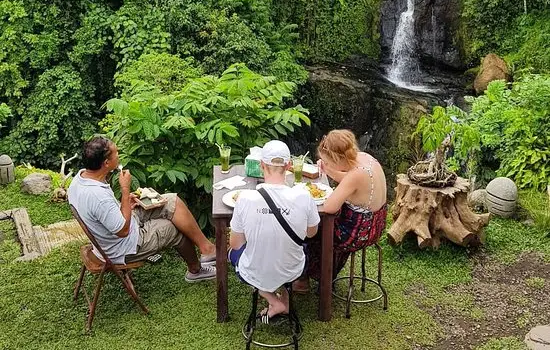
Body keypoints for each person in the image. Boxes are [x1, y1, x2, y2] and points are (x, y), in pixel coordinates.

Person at [68, 136, 216, 282]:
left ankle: (207, 249)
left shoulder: (80, 178)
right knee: (173, 228)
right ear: (106, 163)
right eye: (116, 153)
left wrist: (125, 203)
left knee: (172, 201)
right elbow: (123, 231)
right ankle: (195, 271)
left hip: (117, 228)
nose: (119, 155)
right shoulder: (98, 196)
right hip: (124, 247)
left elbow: (103, 214)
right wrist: (125, 190)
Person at [228, 140, 320, 323]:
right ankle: (283, 299)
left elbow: (236, 244)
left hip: (255, 270)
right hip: (293, 269)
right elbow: (311, 234)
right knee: (295, 250)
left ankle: (273, 300)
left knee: (232, 254)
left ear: (262, 165)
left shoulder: (245, 198)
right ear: (288, 166)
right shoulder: (304, 196)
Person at [295, 129, 387, 291]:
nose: (327, 165)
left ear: (338, 158)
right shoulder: (366, 158)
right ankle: (317, 275)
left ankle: (304, 277)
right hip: (376, 225)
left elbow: (330, 207)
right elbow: (350, 180)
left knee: (308, 228)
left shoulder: (355, 176)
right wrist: (328, 169)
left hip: (356, 232)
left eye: (328, 162)